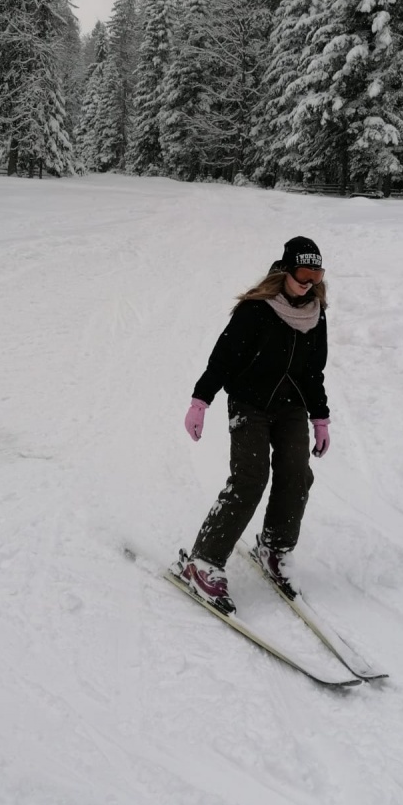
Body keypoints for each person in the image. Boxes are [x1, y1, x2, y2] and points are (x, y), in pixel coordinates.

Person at [176, 236, 331, 615]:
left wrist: (320, 417)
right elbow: (223, 358)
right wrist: (201, 399)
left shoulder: (316, 312)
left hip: (291, 407)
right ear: (286, 269)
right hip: (250, 404)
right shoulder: (257, 309)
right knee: (250, 478)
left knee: (297, 474)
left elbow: (313, 372)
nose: (308, 281)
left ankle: (275, 548)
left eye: (316, 273)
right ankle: (203, 561)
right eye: (302, 272)